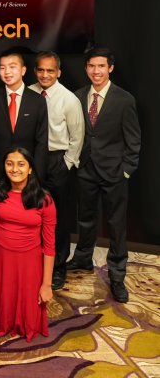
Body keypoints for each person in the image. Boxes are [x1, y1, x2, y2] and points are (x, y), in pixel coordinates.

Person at [67, 48, 141, 303]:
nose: (96, 71)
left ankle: (117, 275)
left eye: (101, 66)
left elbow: (133, 139)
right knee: (85, 219)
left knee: (116, 225)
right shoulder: (77, 97)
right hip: (86, 169)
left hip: (114, 173)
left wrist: (127, 171)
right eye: (91, 66)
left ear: (110, 68)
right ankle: (83, 259)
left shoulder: (124, 99)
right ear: (86, 68)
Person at [0, 147, 56, 342]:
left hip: (29, 264)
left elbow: (49, 246)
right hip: (0, 261)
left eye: (21, 164)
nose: (14, 169)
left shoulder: (44, 199)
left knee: (28, 318)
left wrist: (46, 284)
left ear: (30, 169)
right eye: (10, 163)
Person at [28, 51, 84, 290]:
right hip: (30, 160)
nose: (45, 75)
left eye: (50, 70)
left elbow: (77, 136)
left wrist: (66, 164)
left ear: (58, 72)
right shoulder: (28, 92)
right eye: (41, 70)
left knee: (58, 218)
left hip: (56, 160)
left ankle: (58, 267)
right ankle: (33, 263)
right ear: (34, 71)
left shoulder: (69, 99)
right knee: (31, 213)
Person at [0, 49, 48, 184]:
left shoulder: (38, 101)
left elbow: (41, 143)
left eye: (12, 67)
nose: (7, 72)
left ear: (23, 70)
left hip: (28, 175)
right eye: (2, 67)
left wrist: (37, 177)